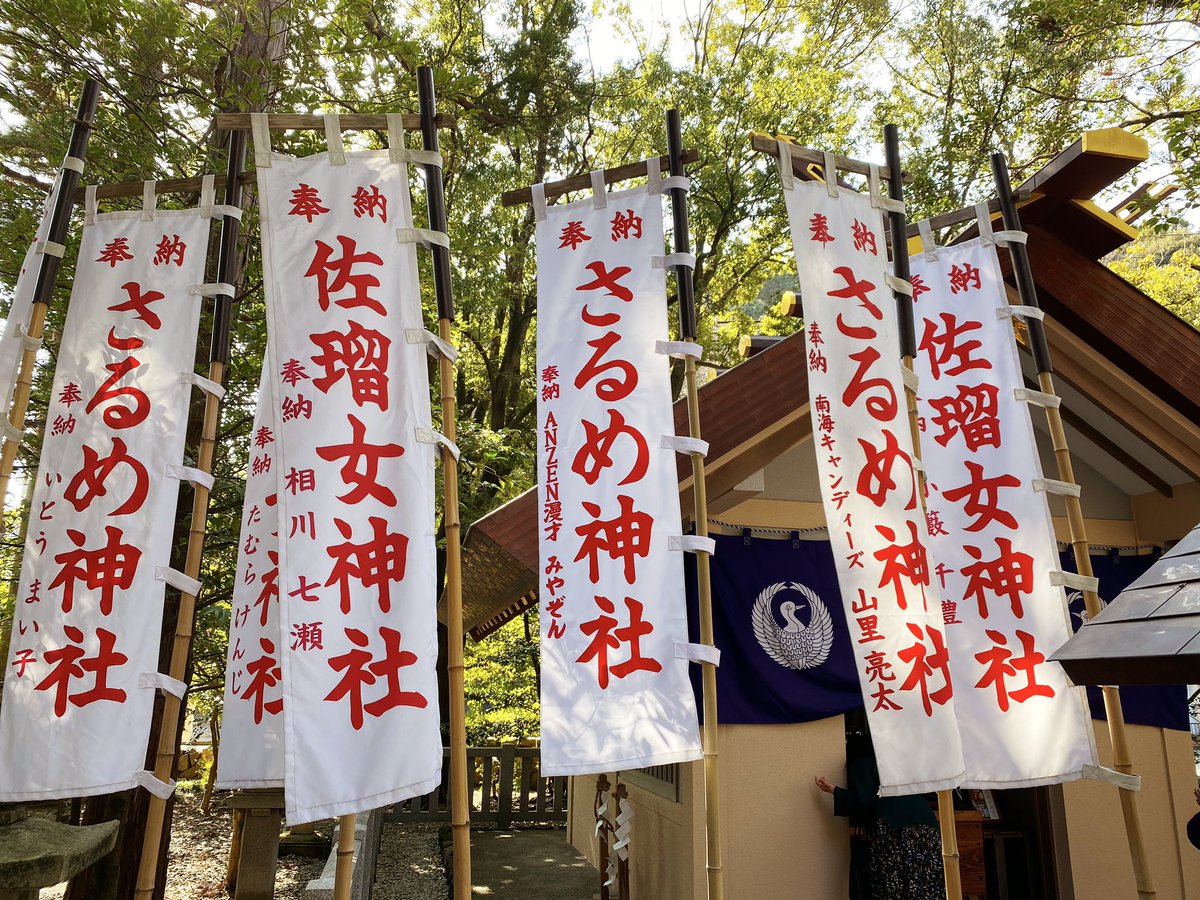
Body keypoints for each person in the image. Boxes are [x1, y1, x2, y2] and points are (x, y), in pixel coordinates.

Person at [815, 726, 945, 900]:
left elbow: (864, 800)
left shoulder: (862, 764)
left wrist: (834, 790)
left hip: (895, 828)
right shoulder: (892, 763)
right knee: (926, 882)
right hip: (926, 822)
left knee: (895, 884)